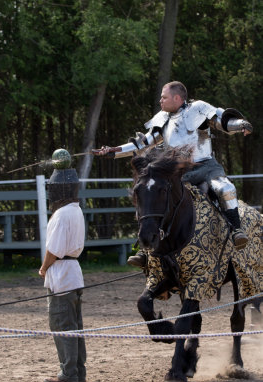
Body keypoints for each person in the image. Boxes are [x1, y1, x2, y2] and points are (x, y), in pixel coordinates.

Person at [98, 81, 253, 266]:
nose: (160, 100)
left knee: (225, 187)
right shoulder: (162, 118)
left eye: (164, 97)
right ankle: (144, 250)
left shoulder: (198, 109)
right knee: (154, 197)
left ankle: (237, 231)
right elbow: (142, 144)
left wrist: (241, 124)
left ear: (177, 98)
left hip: (206, 167)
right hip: (177, 171)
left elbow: (222, 121)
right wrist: (113, 151)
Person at [39, 151, 86, 382]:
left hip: (62, 274)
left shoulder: (61, 214)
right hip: (74, 274)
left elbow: (54, 250)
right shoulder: (76, 210)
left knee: (62, 324)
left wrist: (43, 268)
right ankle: (78, 371)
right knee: (74, 325)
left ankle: (68, 374)